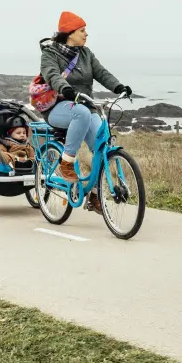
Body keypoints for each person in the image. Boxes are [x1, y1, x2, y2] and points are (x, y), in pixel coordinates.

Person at [39, 11, 132, 212]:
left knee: (103, 146)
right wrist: (64, 88)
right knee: (80, 112)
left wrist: (119, 87)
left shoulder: (86, 54)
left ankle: (95, 194)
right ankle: (66, 162)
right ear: (70, 33)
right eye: (82, 31)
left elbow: (102, 73)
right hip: (58, 108)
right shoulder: (50, 54)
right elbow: (52, 75)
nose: (86, 34)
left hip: (85, 107)